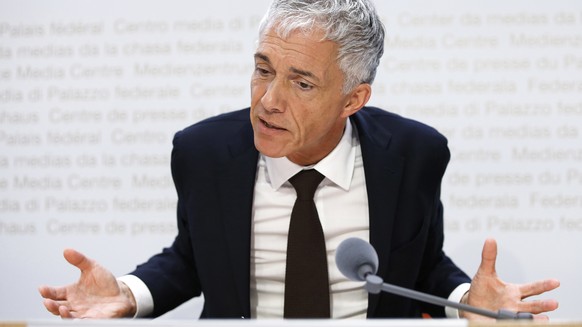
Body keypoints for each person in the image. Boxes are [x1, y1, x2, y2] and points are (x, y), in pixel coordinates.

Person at [39, 0, 560, 320]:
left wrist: (470, 297)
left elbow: (419, 263)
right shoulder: (203, 152)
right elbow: (194, 258)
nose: (268, 100)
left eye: (302, 83)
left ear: (353, 99)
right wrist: (129, 294)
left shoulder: (414, 153)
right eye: (263, 70)